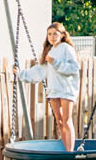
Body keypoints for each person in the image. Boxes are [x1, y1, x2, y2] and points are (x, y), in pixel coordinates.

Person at [21, 22, 83, 150]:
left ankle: (70, 151)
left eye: (55, 34)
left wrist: (56, 62)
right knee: (59, 121)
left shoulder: (66, 48)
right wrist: (22, 74)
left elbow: (74, 68)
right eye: (49, 34)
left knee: (66, 120)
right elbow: (40, 71)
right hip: (54, 90)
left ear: (62, 35)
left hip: (66, 89)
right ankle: (66, 148)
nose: (52, 36)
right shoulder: (50, 51)